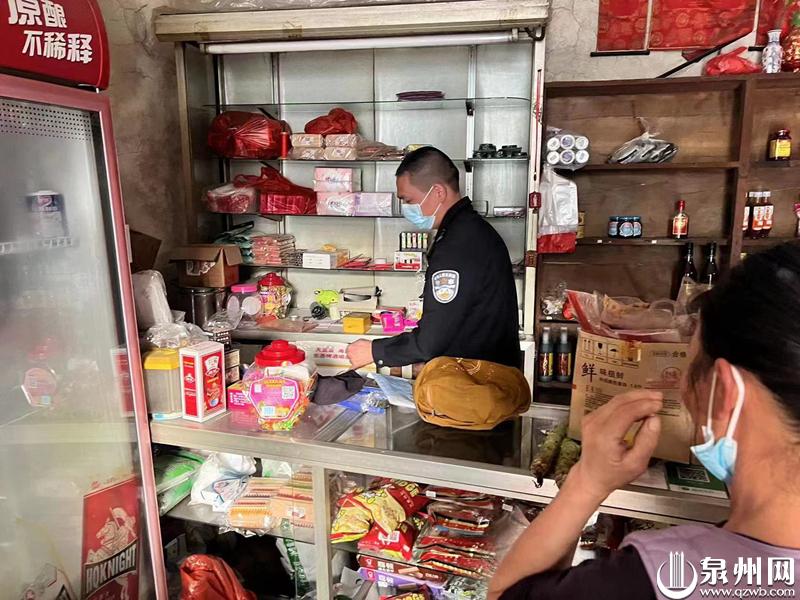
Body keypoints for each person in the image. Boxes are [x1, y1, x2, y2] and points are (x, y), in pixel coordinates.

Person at [489, 242, 800, 599]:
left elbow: (505, 594)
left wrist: (587, 481)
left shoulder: (661, 578)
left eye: (688, 363)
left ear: (725, 393)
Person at [346, 146, 521, 370]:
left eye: (409, 200)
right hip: (482, 373)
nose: (407, 209)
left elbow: (431, 340)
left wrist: (374, 351)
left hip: (477, 380)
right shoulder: (469, 230)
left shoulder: (458, 245)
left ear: (438, 192)